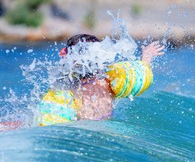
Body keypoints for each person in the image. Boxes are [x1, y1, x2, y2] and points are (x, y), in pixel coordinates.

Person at [37, 34, 165, 126]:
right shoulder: (108, 82)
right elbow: (139, 78)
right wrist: (145, 58)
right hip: (107, 131)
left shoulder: (66, 91)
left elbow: (50, 122)